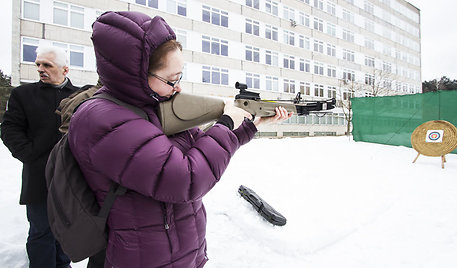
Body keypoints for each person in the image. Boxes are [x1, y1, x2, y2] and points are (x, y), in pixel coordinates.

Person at [68, 11, 291, 268]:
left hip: (180, 254)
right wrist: (226, 122)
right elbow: (186, 178)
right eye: (172, 80)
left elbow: (200, 147)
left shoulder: (153, 104)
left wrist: (249, 127)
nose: (179, 88)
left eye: (180, 77)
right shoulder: (102, 119)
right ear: (135, 74)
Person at [1, 45, 79, 267]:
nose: (40, 69)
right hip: (39, 176)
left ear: (65, 70)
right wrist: (29, 154)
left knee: (65, 230)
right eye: (38, 64)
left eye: (47, 65)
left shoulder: (78, 96)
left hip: (71, 178)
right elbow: (9, 129)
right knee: (41, 232)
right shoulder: (23, 94)